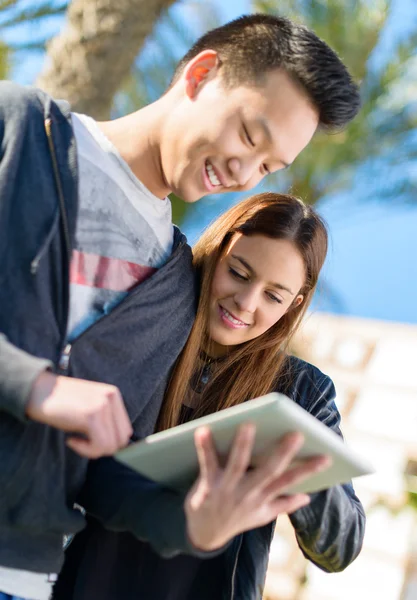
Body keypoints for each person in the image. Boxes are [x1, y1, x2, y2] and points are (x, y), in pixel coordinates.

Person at [0, 13, 360, 600]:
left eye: (269, 166)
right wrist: (34, 387)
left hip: (24, 576)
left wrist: (195, 525)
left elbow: (106, 479)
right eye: (249, 134)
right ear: (201, 73)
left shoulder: (174, 291)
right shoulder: (19, 129)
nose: (245, 171)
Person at [53, 193, 365, 600]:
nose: (246, 303)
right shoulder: (150, 326)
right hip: (84, 579)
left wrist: (297, 456)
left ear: (294, 304)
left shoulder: (301, 391)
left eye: (274, 296)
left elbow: (340, 549)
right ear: (215, 253)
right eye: (238, 273)